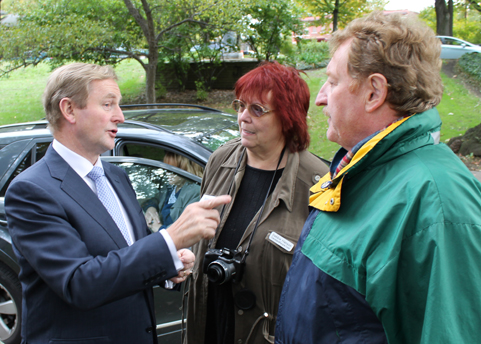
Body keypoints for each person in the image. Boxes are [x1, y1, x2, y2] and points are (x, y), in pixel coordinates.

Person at [275, 11, 481, 344]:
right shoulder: (364, 172)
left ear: (374, 93)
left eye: (333, 82)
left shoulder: (438, 206)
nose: (320, 97)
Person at [4, 63, 230, 344]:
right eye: (108, 104)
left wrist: (170, 263)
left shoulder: (115, 176)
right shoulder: (31, 191)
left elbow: (125, 253)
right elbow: (80, 283)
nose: (120, 116)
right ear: (69, 110)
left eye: (118, 105)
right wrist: (169, 240)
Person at [185, 61, 329, 344]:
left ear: (288, 117)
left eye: (257, 110)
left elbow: (321, 289)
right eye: (240, 105)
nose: (242, 117)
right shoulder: (220, 161)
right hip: (208, 327)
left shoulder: (317, 184)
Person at [144, 152, 203, 232]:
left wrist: (159, 229)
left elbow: (187, 228)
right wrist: (151, 208)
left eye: (172, 169)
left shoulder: (194, 191)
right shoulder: (171, 187)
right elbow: (155, 199)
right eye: (166, 168)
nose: (167, 172)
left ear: (185, 169)